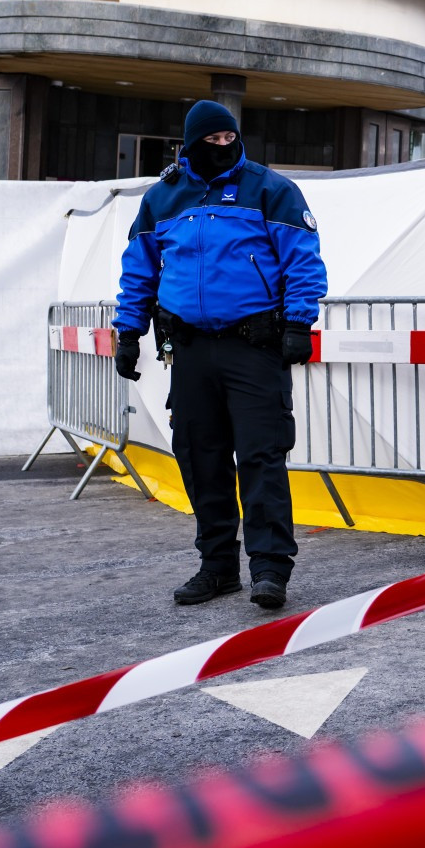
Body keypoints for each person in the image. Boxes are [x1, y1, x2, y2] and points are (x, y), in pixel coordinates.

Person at [112, 101, 327, 610]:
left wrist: (299, 323)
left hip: (255, 347)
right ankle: (218, 568)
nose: (223, 146)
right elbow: (139, 270)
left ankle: (270, 569)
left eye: (230, 137)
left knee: (260, 457)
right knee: (200, 458)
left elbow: (302, 260)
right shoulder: (163, 197)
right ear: (190, 143)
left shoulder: (270, 190)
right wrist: (128, 332)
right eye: (212, 140)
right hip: (189, 352)